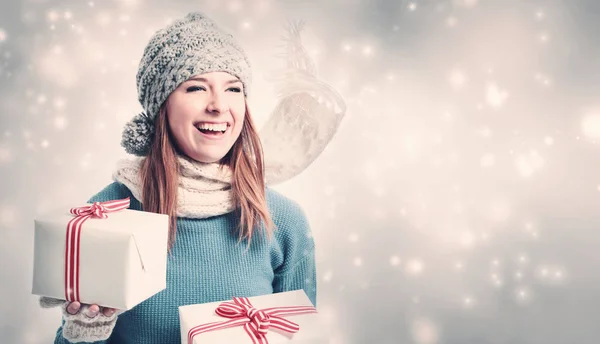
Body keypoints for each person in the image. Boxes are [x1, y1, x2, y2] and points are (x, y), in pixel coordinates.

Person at [38, 11, 345, 344]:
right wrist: (84, 332)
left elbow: (298, 337)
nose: (218, 105)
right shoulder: (106, 214)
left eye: (233, 88)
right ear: (161, 107)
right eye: (196, 87)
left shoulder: (284, 222)